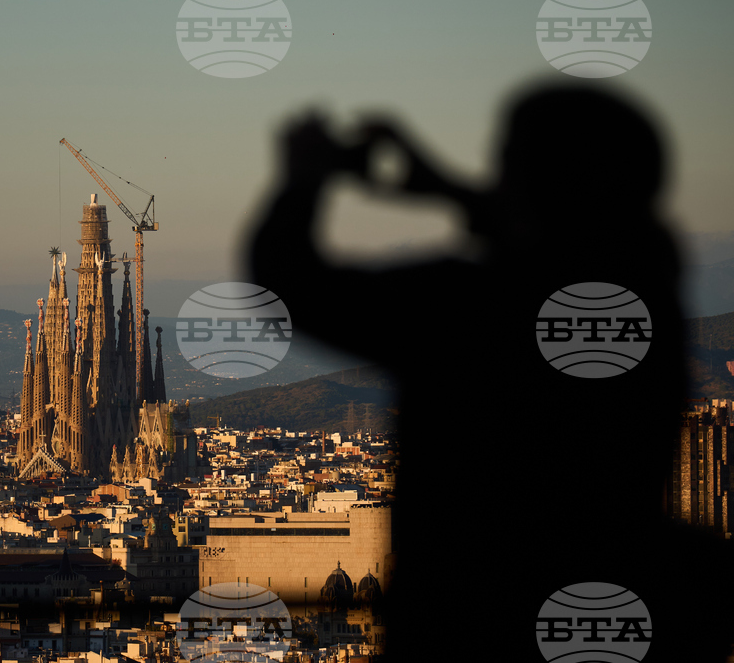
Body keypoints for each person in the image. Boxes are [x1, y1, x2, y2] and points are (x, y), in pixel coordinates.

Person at [249, 82, 734, 661]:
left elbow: (292, 283)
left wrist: (304, 180)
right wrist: (453, 190)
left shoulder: (472, 308)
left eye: (506, 162)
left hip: (473, 625)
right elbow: (581, 240)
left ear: (524, 182)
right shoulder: (645, 299)